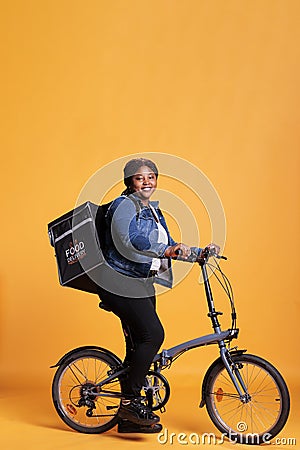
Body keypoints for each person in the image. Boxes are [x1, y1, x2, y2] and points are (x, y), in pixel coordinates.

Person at [96, 158, 220, 434]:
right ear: (130, 181)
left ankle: (129, 420)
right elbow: (130, 240)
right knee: (153, 335)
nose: (147, 182)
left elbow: (168, 244)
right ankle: (129, 402)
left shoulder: (151, 210)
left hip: (139, 283)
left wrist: (198, 253)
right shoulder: (123, 206)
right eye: (140, 178)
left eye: (152, 176)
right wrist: (168, 249)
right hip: (118, 282)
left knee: (139, 343)